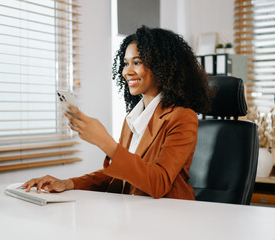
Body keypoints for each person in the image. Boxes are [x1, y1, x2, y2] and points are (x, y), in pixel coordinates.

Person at [22, 26, 213, 200]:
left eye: (136, 62)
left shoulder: (182, 117)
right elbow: (121, 174)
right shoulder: (133, 117)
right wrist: (68, 183)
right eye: (125, 63)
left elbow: (159, 182)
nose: (126, 71)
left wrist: (104, 142)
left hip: (170, 216)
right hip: (132, 212)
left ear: (162, 66)